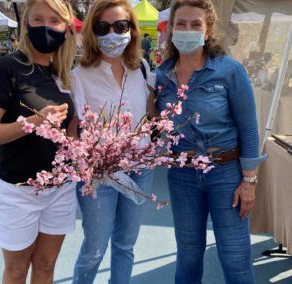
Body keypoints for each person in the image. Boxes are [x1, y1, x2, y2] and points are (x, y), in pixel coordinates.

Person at [153, 0, 266, 283]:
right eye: (181, 24)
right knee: (188, 256)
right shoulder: (161, 76)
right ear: (171, 29)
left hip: (226, 174)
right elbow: (155, 125)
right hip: (182, 175)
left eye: (195, 24)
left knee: (235, 256)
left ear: (208, 31)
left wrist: (249, 182)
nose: (187, 30)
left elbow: (249, 129)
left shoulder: (229, 71)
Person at [0, 0, 77, 283]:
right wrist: (34, 123)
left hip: (61, 188)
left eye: (54, 21)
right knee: (17, 271)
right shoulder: (7, 67)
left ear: (66, 29)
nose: (46, 27)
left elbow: (71, 130)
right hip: (18, 189)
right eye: (38, 19)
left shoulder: (65, 72)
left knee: (45, 266)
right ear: (26, 25)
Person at [70, 0, 155, 283]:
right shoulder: (80, 76)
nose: (112, 34)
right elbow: (74, 131)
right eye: (102, 27)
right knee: (94, 249)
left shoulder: (141, 67)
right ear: (92, 33)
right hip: (100, 176)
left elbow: (150, 114)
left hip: (140, 170)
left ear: (132, 28)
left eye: (120, 26)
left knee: (125, 246)